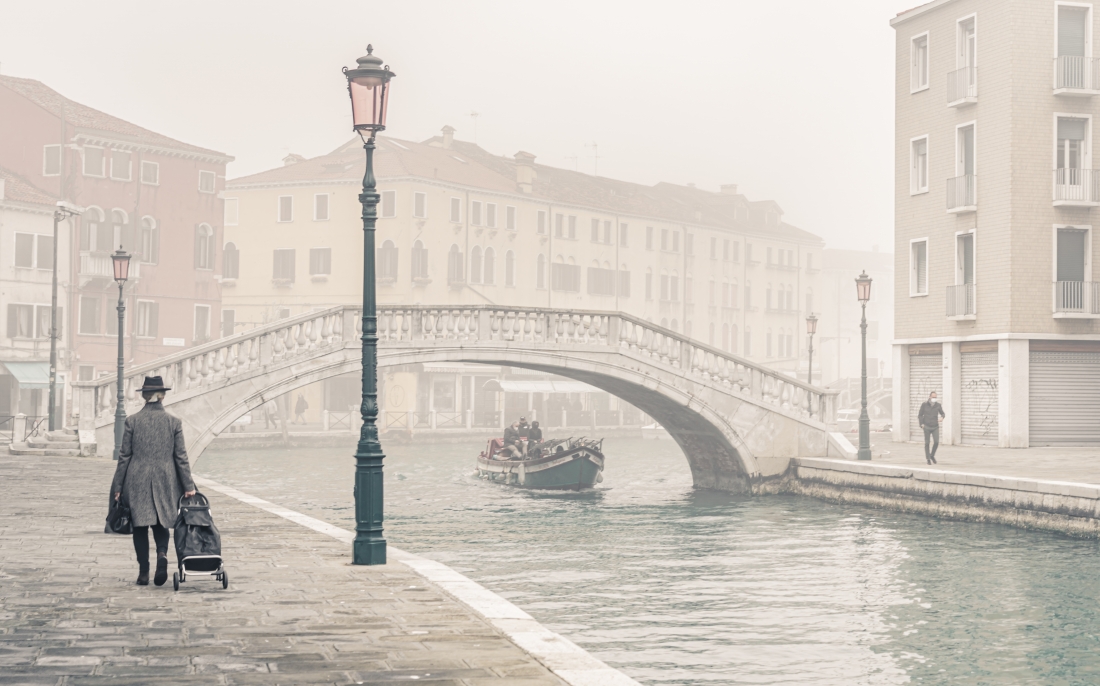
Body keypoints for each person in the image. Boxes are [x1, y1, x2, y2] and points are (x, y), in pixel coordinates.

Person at [110, 376, 196, 586]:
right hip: (166, 477)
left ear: (144, 396)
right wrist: (188, 486)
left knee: (139, 526)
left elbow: (124, 457)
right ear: (163, 396)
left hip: (136, 478)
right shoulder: (173, 422)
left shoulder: (132, 421)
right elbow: (181, 457)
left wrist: (118, 487)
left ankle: (143, 572)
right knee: (161, 522)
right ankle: (162, 556)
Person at [917, 391, 945, 465]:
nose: (934, 399)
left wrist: (942, 417)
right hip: (926, 426)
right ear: (930, 397)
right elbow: (920, 415)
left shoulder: (938, 405)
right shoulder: (924, 405)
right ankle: (928, 458)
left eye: (935, 397)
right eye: (933, 397)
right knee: (927, 443)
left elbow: (942, 413)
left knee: (936, 442)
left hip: (935, 426)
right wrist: (921, 424)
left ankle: (932, 455)